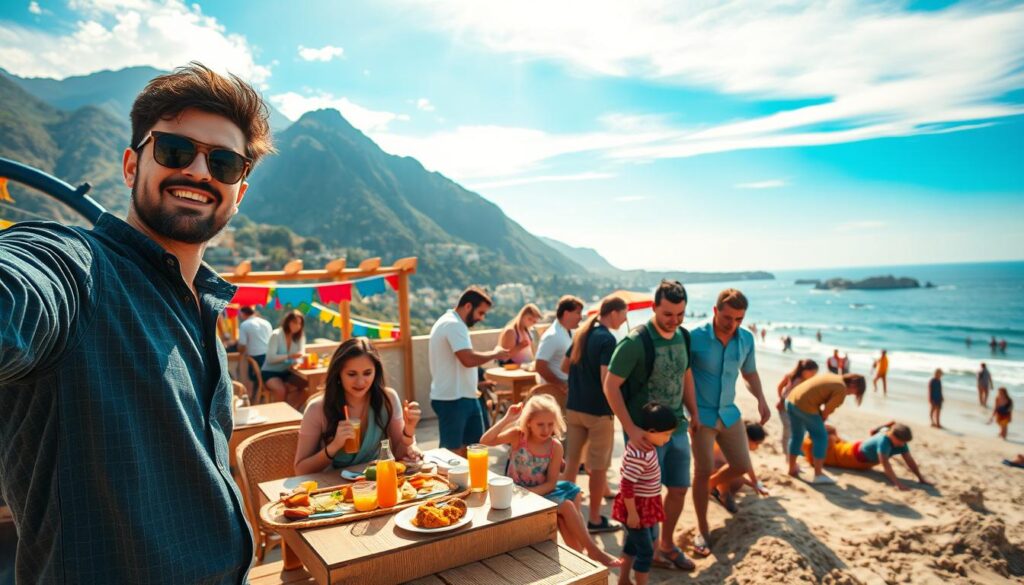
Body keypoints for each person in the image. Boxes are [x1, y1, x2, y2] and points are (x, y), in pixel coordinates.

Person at [0, 63, 274, 582]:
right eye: (174, 151)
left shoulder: (202, 308)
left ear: (239, 191)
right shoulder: (77, 269)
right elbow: (19, 290)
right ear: (131, 166)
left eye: (224, 162)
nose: (199, 172)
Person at [603, 280, 697, 571]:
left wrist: (694, 414)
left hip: (678, 430)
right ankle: (648, 552)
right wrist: (630, 428)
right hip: (645, 435)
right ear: (654, 307)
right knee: (646, 497)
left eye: (680, 313)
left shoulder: (683, 335)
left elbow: (686, 376)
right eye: (668, 313)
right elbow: (610, 386)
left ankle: (666, 545)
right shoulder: (635, 342)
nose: (675, 320)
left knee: (679, 489)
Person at [481, 395, 621, 567]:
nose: (546, 429)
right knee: (566, 508)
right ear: (529, 421)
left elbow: (550, 484)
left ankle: (582, 556)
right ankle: (591, 553)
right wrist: (508, 418)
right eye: (540, 424)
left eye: (550, 424)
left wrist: (531, 494)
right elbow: (485, 441)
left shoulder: (555, 446)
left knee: (566, 510)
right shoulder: (518, 436)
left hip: (542, 492)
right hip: (515, 495)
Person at [687, 288, 770, 556]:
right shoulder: (694, 337)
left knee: (742, 465)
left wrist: (761, 399)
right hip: (701, 416)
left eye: (739, 319)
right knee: (701, 470)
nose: (732, 324)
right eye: (727, 317)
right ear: (715, 311)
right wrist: (687, 413)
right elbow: (682, 376)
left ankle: (711, 486)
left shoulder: (745, 339)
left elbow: (750, 372)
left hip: (729, 413)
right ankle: (702, 529)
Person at [294, 338, 421, 473]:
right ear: (338, 374)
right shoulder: (317, 408)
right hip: (331, 488)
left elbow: (399, 454)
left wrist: (409, 430)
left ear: (375, 372)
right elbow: (300, 470)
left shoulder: (387, 399)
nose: (360, 382)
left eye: (367, 373)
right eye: (351, 374)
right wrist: (334, 446)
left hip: (375, 482)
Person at [562, 295, 628, 533]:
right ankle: (595, 519)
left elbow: (563, 366)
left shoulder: (582, 333)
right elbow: (605, 380)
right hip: (598, 412)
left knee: (571, 462)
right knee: (598, 468)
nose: (626, 318)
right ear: (613, 313)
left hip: (575, 407)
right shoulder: (607, 339)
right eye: (624, 313)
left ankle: (564, 509)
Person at [428, 286, 509, 456]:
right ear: (467, 306)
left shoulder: (453, 323)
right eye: (480, 312)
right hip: (453, 399)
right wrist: (495, 353)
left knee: (475, 450)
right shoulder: (453, 324)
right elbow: (468, 359)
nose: (481, 318)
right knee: (453, 454)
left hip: (464, 397)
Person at [612, 402, 678, 585]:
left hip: (647, 504)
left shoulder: (646, 446)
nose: (668, 438)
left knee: (632, 546)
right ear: (651, 430)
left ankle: (623, 579)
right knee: (646, 552)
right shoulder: (639, 453)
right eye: (666, 434)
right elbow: (626, 484)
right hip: (637, 508)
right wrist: (632, 513)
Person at [785, 373, 867, 484]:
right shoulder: (841, 389)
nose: (851, 394)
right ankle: (818, 474)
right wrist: (821, 420)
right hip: (805, 406)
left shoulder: (834, 377)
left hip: (791, 401)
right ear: (854, 386)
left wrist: (819, 417)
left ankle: (792, 468)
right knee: (821, 437)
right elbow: (827, 410)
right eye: (855, 393)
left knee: (797, 436)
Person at [803, 422, 930, 490]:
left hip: (856, 448)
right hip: (851, 456)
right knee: (829, 446)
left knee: (832, 437)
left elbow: (909, 459)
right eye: (901, 441)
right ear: (893, 436)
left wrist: (920, 477)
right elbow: (885, 463)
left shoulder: (899, 442)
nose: (903, 445)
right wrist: (897, 483)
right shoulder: (884, 441)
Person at [709, 421, 769, 511]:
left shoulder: (736, 442)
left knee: (739, 472)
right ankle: (723, 494)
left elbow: (747, 464)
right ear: (748, 438)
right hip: (711, 472)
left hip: (714, 471)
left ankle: (717, 490)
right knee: (736, 477)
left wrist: (755, 483)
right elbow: (727, 469)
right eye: (757, 443)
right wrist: (753, 484)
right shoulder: (732, 444)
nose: (757, 447)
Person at [535, 295, 585, 399]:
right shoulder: (552, 336)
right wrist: (561, 385)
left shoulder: (568, 332)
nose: (581, 317)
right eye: (578, 313)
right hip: (558, 391)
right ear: (566, 314)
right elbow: (540, 366)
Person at [261, 310, 306, 403]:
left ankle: (293, 411)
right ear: (288, 322)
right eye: (294, 322)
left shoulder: (300, 337)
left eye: (299, 323)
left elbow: (301, 354)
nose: (297, 326)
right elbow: (270, 358)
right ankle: (279, 415)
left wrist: (297, 361)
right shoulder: (276, 335)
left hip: (288, 372)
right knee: (281, 390)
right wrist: (289, 356)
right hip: (270, 372)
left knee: (305, 386)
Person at [776, 359, 820, 456]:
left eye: (815, 373)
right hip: (784, 408)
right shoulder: (791, 376)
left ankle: (796, 449)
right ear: (805, 371)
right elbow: (780, 387)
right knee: (788, 428)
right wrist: (781, 399)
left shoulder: (810, 382)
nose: (814, 375)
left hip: (798, 410)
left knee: (801, 429)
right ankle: (786, 451)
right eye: (812, 372)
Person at [236, 305, 272, 396]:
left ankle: (254, 396)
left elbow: (242, 347)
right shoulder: (266, 322)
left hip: (257, 358)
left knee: (253, 378)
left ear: (243, 314)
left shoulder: (245, 325)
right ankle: (258, 395)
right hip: (270, 356)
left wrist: (237, 345)